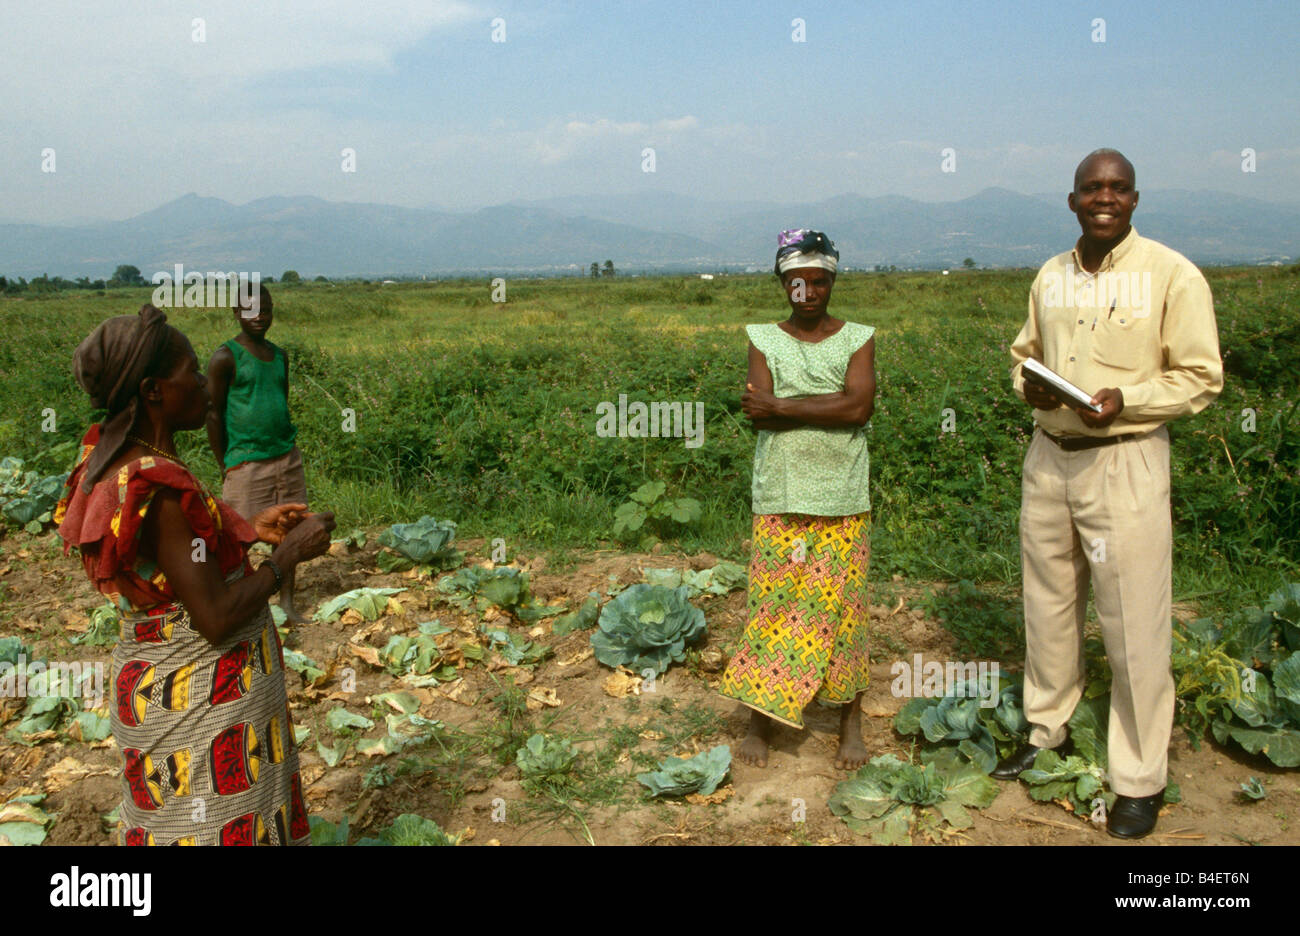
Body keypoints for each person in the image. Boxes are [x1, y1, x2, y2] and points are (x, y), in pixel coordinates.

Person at [999, 149, 1223, 838]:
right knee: (1048, 602)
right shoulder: (1051, 275)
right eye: (1092, 188)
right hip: (1049, 457)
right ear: (1073, 201)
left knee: (1134, 621)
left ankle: (1137, 779)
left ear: (1134, 199)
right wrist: (1028, 385)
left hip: (1124, 460)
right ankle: (1048, 730)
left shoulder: (1171, 274)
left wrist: (1126, 399)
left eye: (1117, 188)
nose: (1105, 198)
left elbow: (1200, 376)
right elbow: (1022, 352)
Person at [55, 304, 336, 846]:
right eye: (190, 371)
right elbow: (214, 615)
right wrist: (288, 558)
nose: (206, 384)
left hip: (161, 694)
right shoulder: (155, 489)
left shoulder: (118, 459)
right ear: (154, 390)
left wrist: (250, 530)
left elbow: (170, 567)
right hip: (201, 707)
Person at [719, 229, 877, 770]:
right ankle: (760, 719)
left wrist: (784, 406)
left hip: (843, 493)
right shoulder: (763, 338)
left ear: (832, 281)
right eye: (795, 282)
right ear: (782, 285)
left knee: (845, 609)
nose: (807, 292)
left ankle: (848, 721)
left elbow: (859, 409)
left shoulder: (859, 337)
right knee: (774, 602)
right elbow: (755, 410)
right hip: (780, 492)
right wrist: (826, 403)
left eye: (817, 280)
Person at [206, 283, 312, 623]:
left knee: (288, 532)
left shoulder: (279, 356)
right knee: (240, 536)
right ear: (236, 313)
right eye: (250, 309)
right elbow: (213, 414)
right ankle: (239, 603)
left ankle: (287, 602)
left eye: (265, 309)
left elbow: (280, 399)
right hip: (246, 463)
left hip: (286, 456)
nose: (258, 316)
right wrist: (225, 463)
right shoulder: (226, 357)